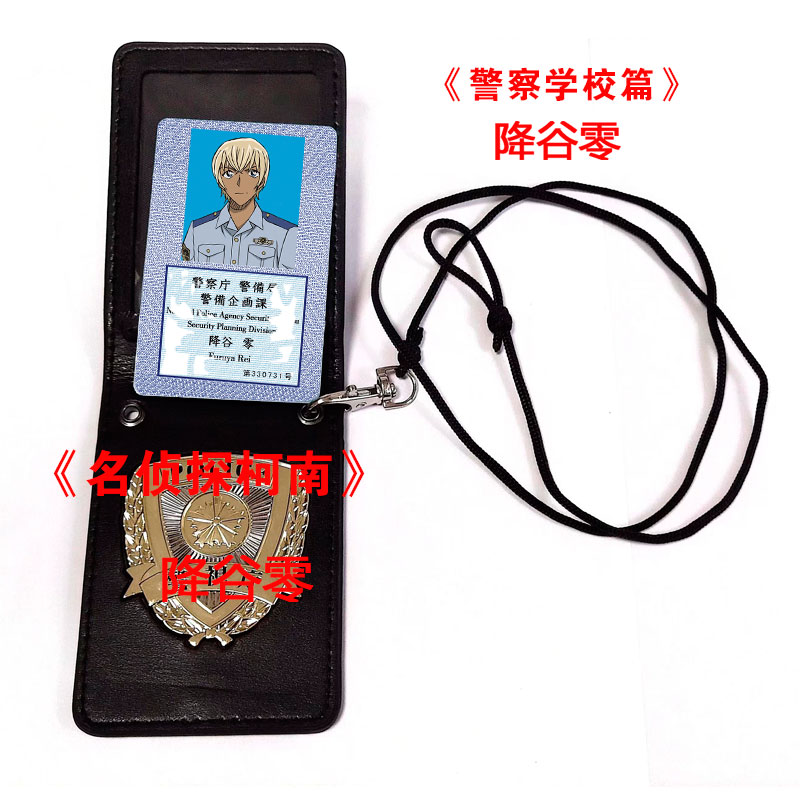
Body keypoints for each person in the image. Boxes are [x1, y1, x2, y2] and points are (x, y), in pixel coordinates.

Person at [182, 137, 297, 270]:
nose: (240, 183)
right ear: (219, 180)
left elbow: (291, 282)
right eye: (229, 173)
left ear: (262, 179)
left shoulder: (286, 233)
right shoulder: (197, 230)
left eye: (252, 173)